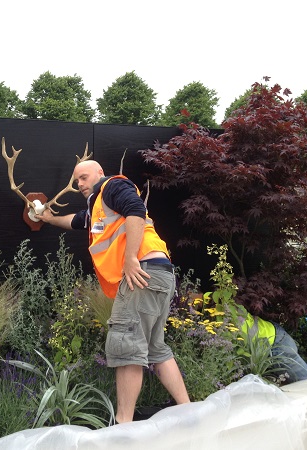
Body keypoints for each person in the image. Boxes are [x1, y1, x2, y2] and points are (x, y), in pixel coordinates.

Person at [35, 160, 191, 423]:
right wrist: (48, 218)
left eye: (83, 178)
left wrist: (130, 257)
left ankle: (123, 427)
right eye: (77, 181)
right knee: (156, 348)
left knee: (126, 345)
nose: (80, 185)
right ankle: (191, 413)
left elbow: (136, 210)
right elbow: (77, 221)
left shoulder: (112, 186)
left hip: (141, 272)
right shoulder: (99, 207)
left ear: (99, 172)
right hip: (159, 273)